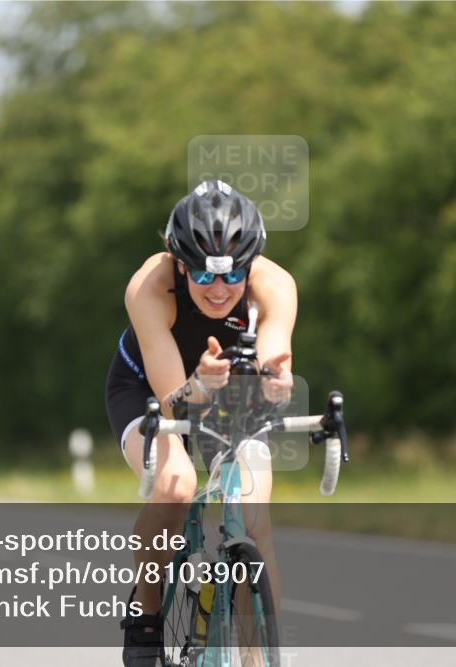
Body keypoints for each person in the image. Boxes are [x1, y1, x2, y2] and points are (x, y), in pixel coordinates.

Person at [105, 180, 296, 665]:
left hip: (231, 391)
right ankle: (146, 617)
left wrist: (275, 381)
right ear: (179, 263)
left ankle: (260, 659)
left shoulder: (275, 285)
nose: (218, 289)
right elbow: (174, 404)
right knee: (176, 486)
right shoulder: (149, 287)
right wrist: (200, 384)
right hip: (149, 390)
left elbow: (275, 358)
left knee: (255, 520)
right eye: (203, 276)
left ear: (250, 265)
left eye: (233, 276)